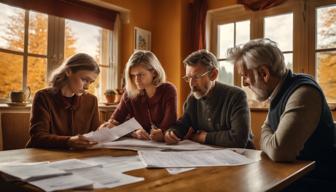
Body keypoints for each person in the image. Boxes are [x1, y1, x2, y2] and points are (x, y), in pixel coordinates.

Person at [227, 38, 336, 190]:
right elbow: (268, 134)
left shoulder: (304, 93)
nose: (244, 83)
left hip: (315, 182)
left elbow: (279, 151)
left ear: (264, 73)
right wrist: (270, 137)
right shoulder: (278, 92)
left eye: (245, 75)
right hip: (289, 176)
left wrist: (269, 136)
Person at [164, 49, 254, 148]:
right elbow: (182, 124)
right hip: (209, 155)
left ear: (213, 74)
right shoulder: (193, 98)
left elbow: (239, 139)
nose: (191, 84)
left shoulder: (237, 96)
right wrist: (171, 133)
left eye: (196, 77)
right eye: (188, 78)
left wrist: (204, 137)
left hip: (243, 157)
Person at [26, 53, 100, 149]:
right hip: (43, 157)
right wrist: (69, 141)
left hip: (77, 158)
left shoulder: (92, 100)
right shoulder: (43, 97)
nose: (87, 87)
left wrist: (102, 131)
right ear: (68, 71)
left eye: (91, 82)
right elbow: (37, 137)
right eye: (84, 79)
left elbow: (94, 134)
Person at [101, 50, 177, 142]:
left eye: (141, 75)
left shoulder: (168, 90)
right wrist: (134, 133)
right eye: (133, 75)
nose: (136, 80)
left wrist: (162, 133)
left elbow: (169, 125)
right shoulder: (129, 94)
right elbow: (113, 123)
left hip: (164, 147)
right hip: (140, 146)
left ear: (154, 72)